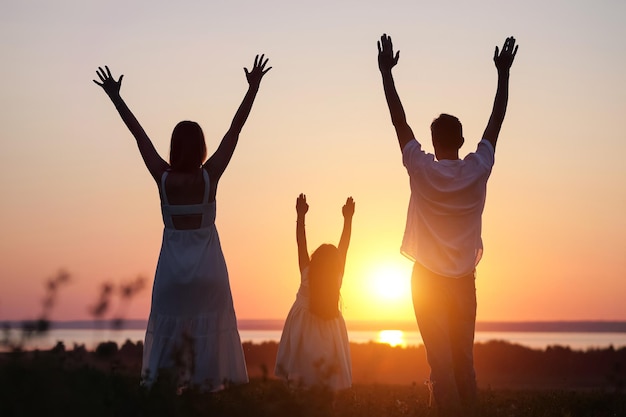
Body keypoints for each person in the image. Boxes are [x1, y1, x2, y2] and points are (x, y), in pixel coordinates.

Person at [93, 55, 271, 391]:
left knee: (169, 338)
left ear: (174, 147)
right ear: (202, 147)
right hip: (209, 274)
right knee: (211, 337)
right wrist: (253, 89)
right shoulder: (209, 177)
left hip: (173, 276)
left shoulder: (163, 178)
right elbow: (235, 130)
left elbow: (139, 136)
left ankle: (168, 392)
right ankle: (209, 393)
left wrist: (116, 97)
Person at [377, 34, 518, 416]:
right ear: (460, 140)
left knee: (440, 366)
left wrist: (386, 74)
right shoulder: (477, 169)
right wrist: (503, 75)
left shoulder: (421, 168)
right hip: (462, 283)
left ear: (434, 141)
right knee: (463, 362)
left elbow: (398, 120)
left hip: (426, 280)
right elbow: (496, 121)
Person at [275, 193, 354, 391]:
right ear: (335, 264)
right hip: (330, 330)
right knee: (327, 383)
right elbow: (344, 246)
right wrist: (348, 219)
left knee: (302, 379)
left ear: (315, 259)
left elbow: (300, 242)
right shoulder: (337, 276)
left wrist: (301, 215)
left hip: (303, 329)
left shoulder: (307, 273)